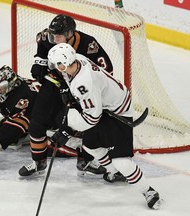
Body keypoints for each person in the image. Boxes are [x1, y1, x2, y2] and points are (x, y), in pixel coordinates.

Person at [47, 43, 162, 209]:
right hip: (105, 106)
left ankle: (149, 191)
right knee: (90, 145)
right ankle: (114, 172)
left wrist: (67, 131)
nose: (56, 68)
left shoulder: (83, 84)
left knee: (122, 161)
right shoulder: (77, 60)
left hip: (118, 112)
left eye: (57, 65)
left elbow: (92, 118)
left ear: (64, 64)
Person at [19, 14, 112, 176]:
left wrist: (90, 88)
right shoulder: (45, 37)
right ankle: (38, 162)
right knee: (37, 121)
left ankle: (86, 161)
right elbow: (41, 54)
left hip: (80, 88)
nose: (53, 39)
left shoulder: (88, 45)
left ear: (70, 34)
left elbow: (106, 70)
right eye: (52, 35)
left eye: (58, 36)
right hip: (54, 82)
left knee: (88, 123)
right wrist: (38, 64)